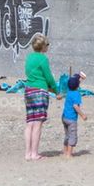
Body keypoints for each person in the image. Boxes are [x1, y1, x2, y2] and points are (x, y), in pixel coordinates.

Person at [23, 33, 61, 161]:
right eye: (47, 44)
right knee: (38, 123)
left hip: (28, 91)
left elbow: (29, 73)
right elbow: (49, 77)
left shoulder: (29, 58)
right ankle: (34, 154)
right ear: (43, 46)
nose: (48, 47)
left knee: (30, 123)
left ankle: (27, 153)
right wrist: (56, 91)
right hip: (40, 92)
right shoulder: (43, 59)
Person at [61, 71, 88, 159]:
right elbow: (75, 106)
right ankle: (69, 154)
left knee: (67, 135)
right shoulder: (77, 94)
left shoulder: (69, 91)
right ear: (78, 86)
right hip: (71, 119)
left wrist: (80, 78)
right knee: (72, 135)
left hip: (64, 117)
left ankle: (65, 152)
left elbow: (75, 81)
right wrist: (82, 115)